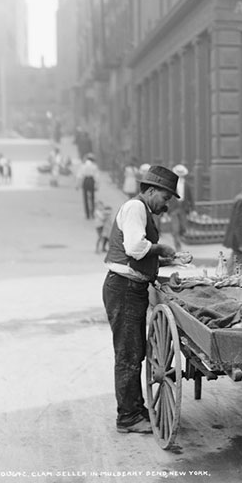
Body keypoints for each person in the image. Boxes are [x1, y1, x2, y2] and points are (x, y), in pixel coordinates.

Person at [102, 164, 182, 434]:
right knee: (128, 355)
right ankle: (128, 417)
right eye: (165, 197)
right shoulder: (136, 208)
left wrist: (162, 263)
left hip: (130, 288)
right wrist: (162, 249)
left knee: (133, 352)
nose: (166, 205)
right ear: (150, 191)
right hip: (124, 288)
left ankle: (134, 410)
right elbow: (135, 249)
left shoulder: (143, 210)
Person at [167, 164, 194, 249]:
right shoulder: (171, 184)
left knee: (183, 227)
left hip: (183, 207)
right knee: (175, 229)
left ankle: (179, 236)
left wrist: (193, 209)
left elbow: (190, 197)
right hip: (174, 208)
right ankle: (177, 246)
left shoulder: (186, 184)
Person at [77, 153, 98, 220]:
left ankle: (87, 214)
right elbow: (97, 176)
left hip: (85, 181)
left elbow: (79, 176)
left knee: (85, 198)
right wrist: (97, 185)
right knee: (92, 197)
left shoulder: (83, 166)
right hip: (91, 181)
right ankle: (92, 213)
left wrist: (78, 184)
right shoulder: (94, 166)